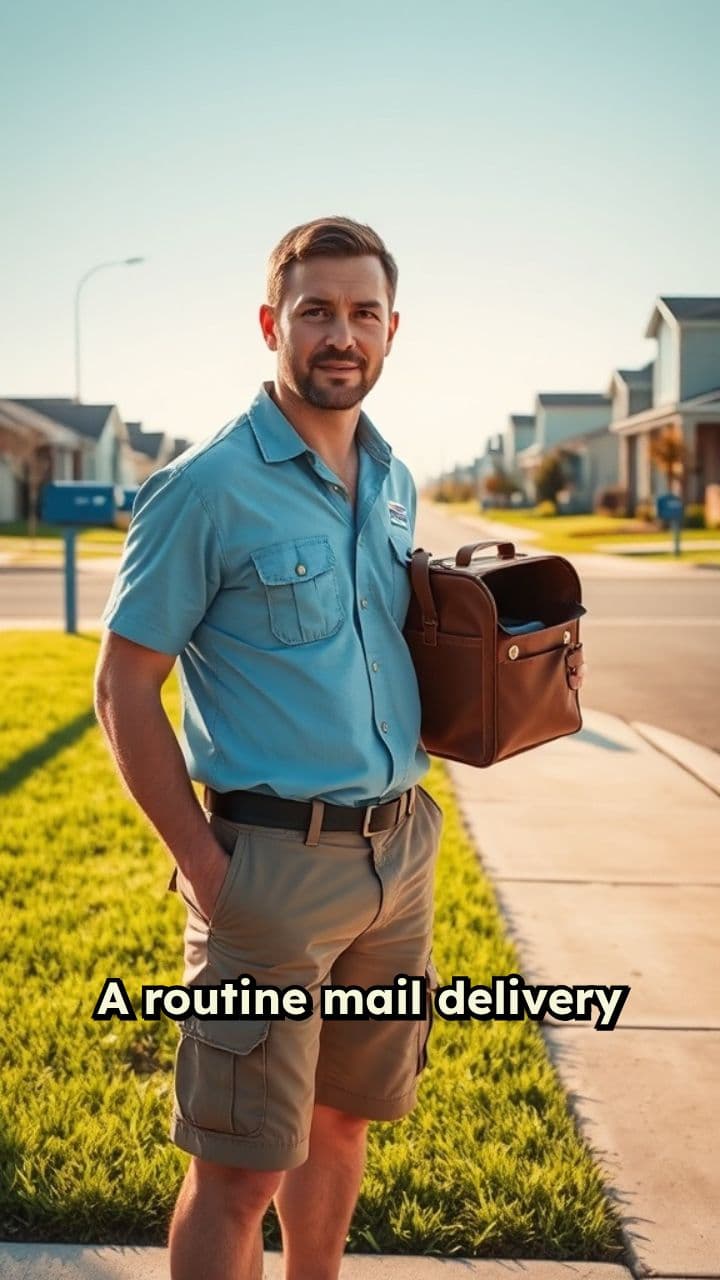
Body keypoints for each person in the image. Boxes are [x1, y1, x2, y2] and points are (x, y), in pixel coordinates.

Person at [94, 215, 586, 1280]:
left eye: (363, 312)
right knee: (236, 1173)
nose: (340, 333)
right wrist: (209, 869)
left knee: (343, 1126)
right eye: (316, 310)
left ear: (393, 330)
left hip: (398, 857)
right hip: (266, 870)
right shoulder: (206, 487)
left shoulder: (393, 475)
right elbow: (123, 686)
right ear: (273, 323)